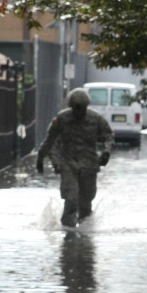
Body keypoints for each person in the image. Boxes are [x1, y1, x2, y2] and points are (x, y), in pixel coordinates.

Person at [36, 88, 113, 227]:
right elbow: (50, 140)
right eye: (76, 108)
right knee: (71, 199)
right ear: (71, 106)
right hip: (68, 163)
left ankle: (85, 237)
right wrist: (40, 157)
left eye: (81, 108)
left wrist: (107, 151)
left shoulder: (95, 119)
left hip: (89, 164)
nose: (78, 112)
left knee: (85, 203)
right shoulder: (62, 119)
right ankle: (68, 235)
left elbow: (108, 135)